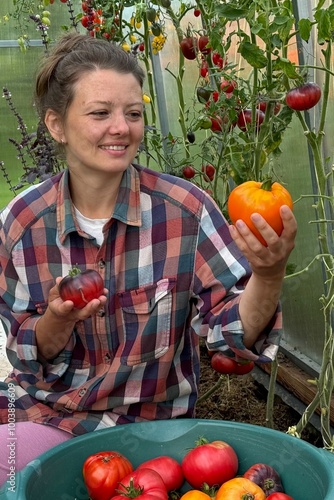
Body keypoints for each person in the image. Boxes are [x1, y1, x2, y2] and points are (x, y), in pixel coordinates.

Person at [0, 32, 297, 486]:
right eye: (100, 113)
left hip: (150, 434)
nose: (122, 127)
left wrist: (269, 272)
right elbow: (24, 354)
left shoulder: (186, 211)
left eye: (133, 113)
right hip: (47, 419)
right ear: (56, 125)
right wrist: (56, 322)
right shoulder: (22, 223)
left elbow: (229, 336)